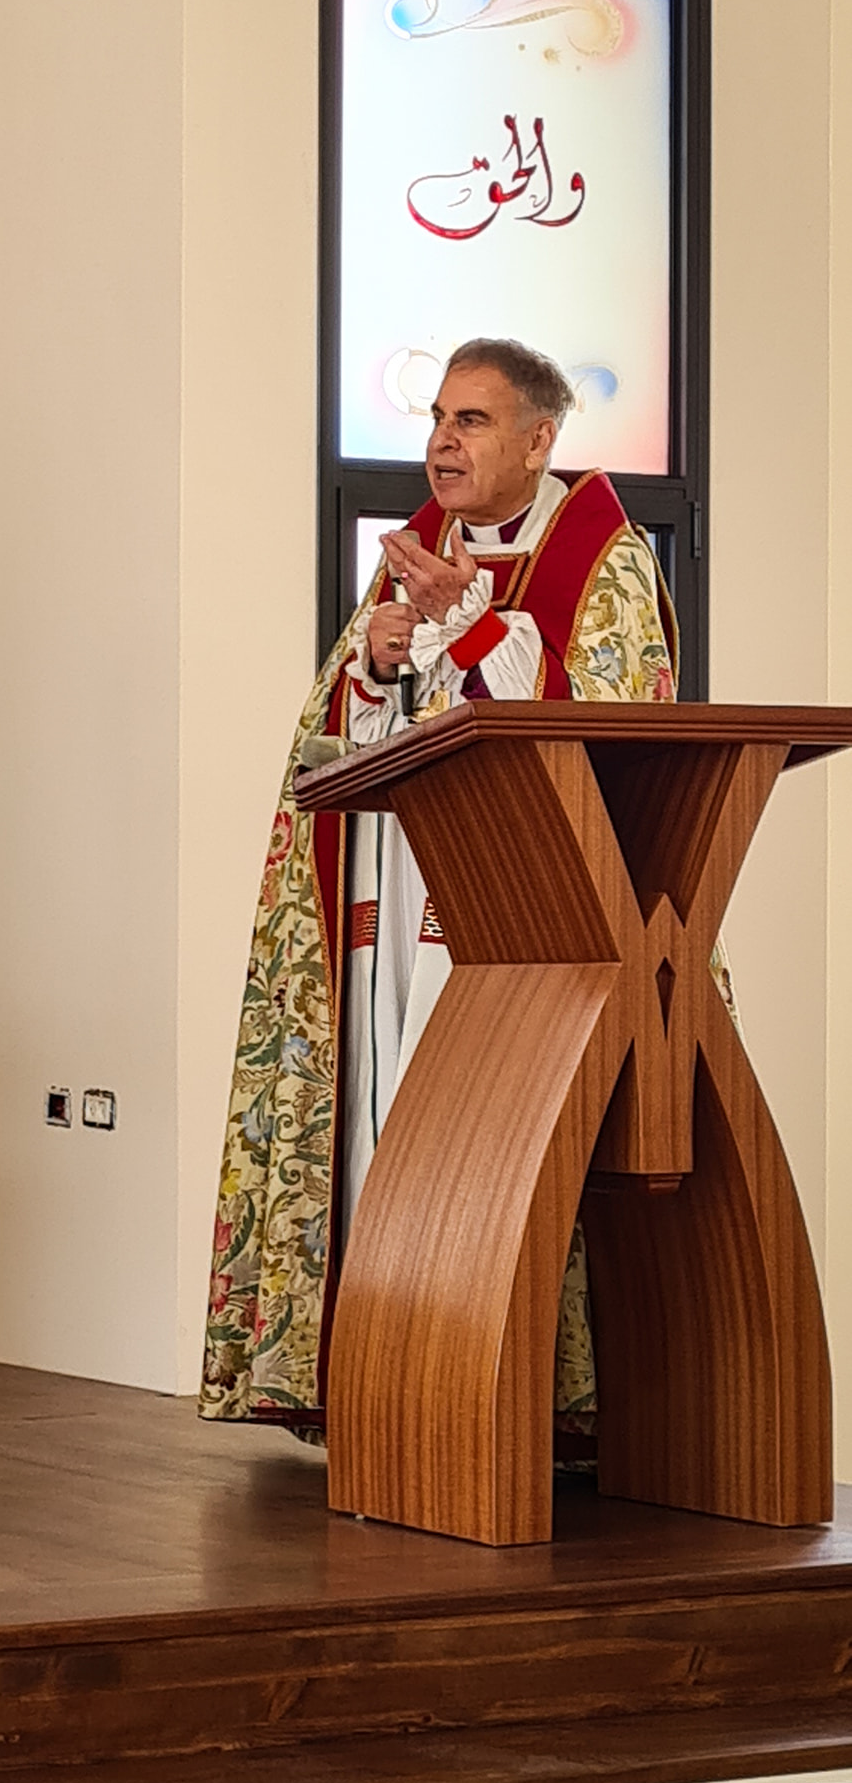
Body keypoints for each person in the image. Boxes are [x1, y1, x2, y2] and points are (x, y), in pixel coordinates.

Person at [199, 338, 676, 1445]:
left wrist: (475, 629)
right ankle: (380, 1369)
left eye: (470, 419)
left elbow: (608, 731)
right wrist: (377, 660)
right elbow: (347, 741)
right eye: (437, 417)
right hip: (397, 890)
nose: (440, 442)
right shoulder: (415, 552)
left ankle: (517, 1394)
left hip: (524, 909)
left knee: (485, 1137)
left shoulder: (599, 553)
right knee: (383, 1118)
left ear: (540, 438)